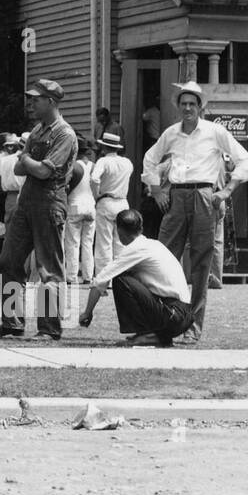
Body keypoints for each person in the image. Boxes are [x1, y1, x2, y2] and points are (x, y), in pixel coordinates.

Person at [142, 80, 248, 345]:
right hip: (176, 196)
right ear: (178, 106)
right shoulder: (170, 133)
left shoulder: (215, 131)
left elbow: (245, 159)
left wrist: (226, 191)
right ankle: (163, 324)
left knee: (202, 265)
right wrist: (157, 190)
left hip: (205, 196)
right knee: (164, 259)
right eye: (184, 104)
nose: (188, 108)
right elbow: (149, 159)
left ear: (201, 107)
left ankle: (193, 328)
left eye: (193, 104)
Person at [0, 78, 77, 342]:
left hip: (50, 201)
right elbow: (18, 168)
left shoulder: (64, 134)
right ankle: (12, 323)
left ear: (51, 101)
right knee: (8, 262)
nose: (31, 103)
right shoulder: (38, 131)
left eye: (36, 99)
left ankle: (49, 328)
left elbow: (43, 170)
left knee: (49, 268)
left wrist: (26, 160)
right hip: (27, 200)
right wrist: (28, 162)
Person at [78, 209, 194, 347]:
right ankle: (157, 336)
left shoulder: (134, 249)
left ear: (119, 231)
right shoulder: (154, 244)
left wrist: (87, 313)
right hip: (183, 315)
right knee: (129, 277)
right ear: (141, 228)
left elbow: (101, 280)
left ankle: (146, 334)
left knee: (120, 280)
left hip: (173, 314)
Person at [90, 131, 133, 279]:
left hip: (106, 200)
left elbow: (94, 179)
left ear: (104, 147)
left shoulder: (103, 161)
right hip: (122, 201)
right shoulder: (127, 163)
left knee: (104, 242)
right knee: (121, 242)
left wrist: (97, 195)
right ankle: (120, 276)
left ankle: (104, 278)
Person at [63, 139, 97, 284]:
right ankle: (88, 276)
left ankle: (71, 276)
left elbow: (66, 187)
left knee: (73, 242)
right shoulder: (94, 166)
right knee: (88, 243)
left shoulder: (74, 167)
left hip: (75, 205)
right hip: (90, 205)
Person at [0, 133, 25, 223]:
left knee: (10, 228)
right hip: (27, 197)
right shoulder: (33, 161)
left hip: (11, 198)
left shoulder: (4, 160)